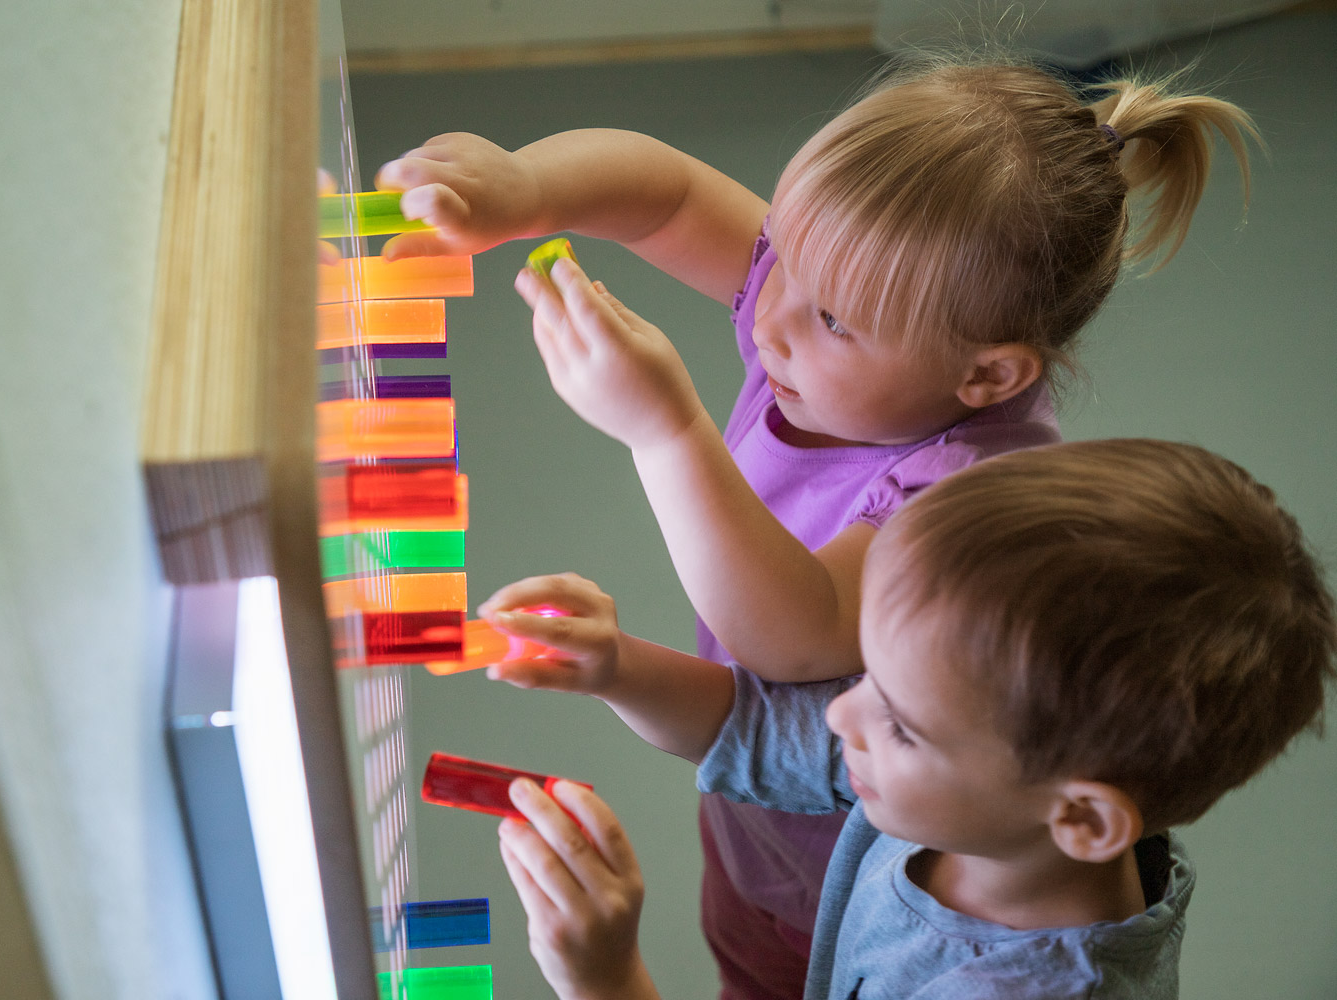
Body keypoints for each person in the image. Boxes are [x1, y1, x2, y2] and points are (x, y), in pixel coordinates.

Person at [376, 58, 1258, 996]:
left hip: (863, 839)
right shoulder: (820, 319)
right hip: (788, 794)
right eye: (779, 255)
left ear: (988, 377)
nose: (768, 315)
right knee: (751, 957)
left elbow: (789, 638)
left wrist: (663, 430)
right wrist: (526, 187)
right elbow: (668, 195)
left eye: (831, 315)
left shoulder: (968, 497)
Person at [476, 439, 1336, 1000]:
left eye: (902, 723)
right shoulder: (987, 803)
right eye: (869, 676)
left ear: (1081, 816)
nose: (842, 712)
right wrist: (619, 668)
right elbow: (755, 731)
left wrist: (605, 977)